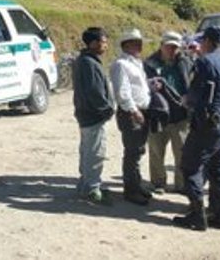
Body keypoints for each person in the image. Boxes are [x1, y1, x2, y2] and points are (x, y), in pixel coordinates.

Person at [172, 25, 220, 231]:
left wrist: (187, 101)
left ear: (208, 42)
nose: (200, 45)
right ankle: (219, 216)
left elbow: (196, 94)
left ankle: (196, 214)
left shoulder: (204, 62)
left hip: (209, 122)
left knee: (190, 165)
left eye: (202, 41)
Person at [144, 31, 192, 193]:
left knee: (182, 152)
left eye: (175, 47)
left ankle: (181, 184)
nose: (172, 50)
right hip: (158, 114)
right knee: (156, 151)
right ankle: (158, 183)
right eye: (169, 46)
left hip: (180, 114)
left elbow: (191, 83)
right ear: (161, 45)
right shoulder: (149, 63)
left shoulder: (185, 61)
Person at [110, 29, 153, 205]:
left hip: (141, 110)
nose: (140, 45)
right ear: (126, 45)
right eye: (136, 42)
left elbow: (138, 86)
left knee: (138, 150)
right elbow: (122, 92)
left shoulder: (136, 63)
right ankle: (131, 190)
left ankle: (136, 185)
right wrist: (134, 111)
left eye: (140, 42)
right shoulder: (121, 65)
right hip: (132, 113)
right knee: (132, 152)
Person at [73, 27, 114, 205]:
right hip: (93, 115)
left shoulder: (85, 60)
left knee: (87, 150)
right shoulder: (89, 63)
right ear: (93, 43)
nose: (106, 46)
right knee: (95, 153)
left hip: (86, 114)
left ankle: (85, 184)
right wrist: (107, 109)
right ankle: (92, 189)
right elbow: (95, 92)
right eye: (103, 42)